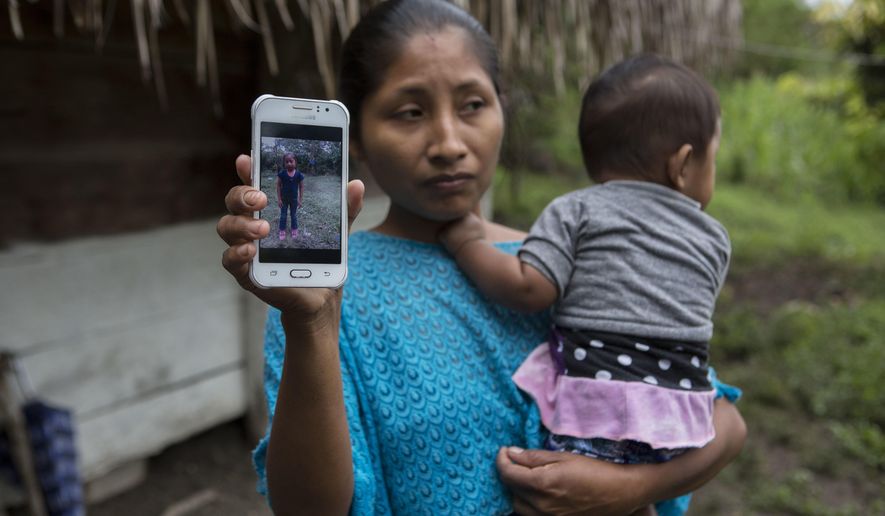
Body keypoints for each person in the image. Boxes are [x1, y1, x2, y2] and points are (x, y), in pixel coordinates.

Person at [216, 1, 746, 515]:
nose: (448, 142)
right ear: (356, 138)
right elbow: (309, 509)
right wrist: (312, 325)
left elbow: (721, 421)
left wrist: (626, 489)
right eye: (409, 112)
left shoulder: (574, 258)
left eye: (472, 105)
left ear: (501, 109)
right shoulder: (326, 295)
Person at [438, 54, 733, 516]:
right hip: (682, 420)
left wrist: (467, 245)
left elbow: (530, 289)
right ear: (684, 164)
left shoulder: (577, 210)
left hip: (599, 409)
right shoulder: (714, 239)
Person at [276, 152, 304, 240]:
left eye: (291, 161)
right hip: (284, 199)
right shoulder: (282, 174)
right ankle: (282, 230)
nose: (289, 163)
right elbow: (278, 185)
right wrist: (279, 199)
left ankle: (294, 229)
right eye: (286, 162)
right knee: (283, 215)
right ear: (284, 163)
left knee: (293, 215)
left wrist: (300, 199)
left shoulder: (299, 175)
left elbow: (301, 186)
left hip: (294, 200)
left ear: (295, 162)